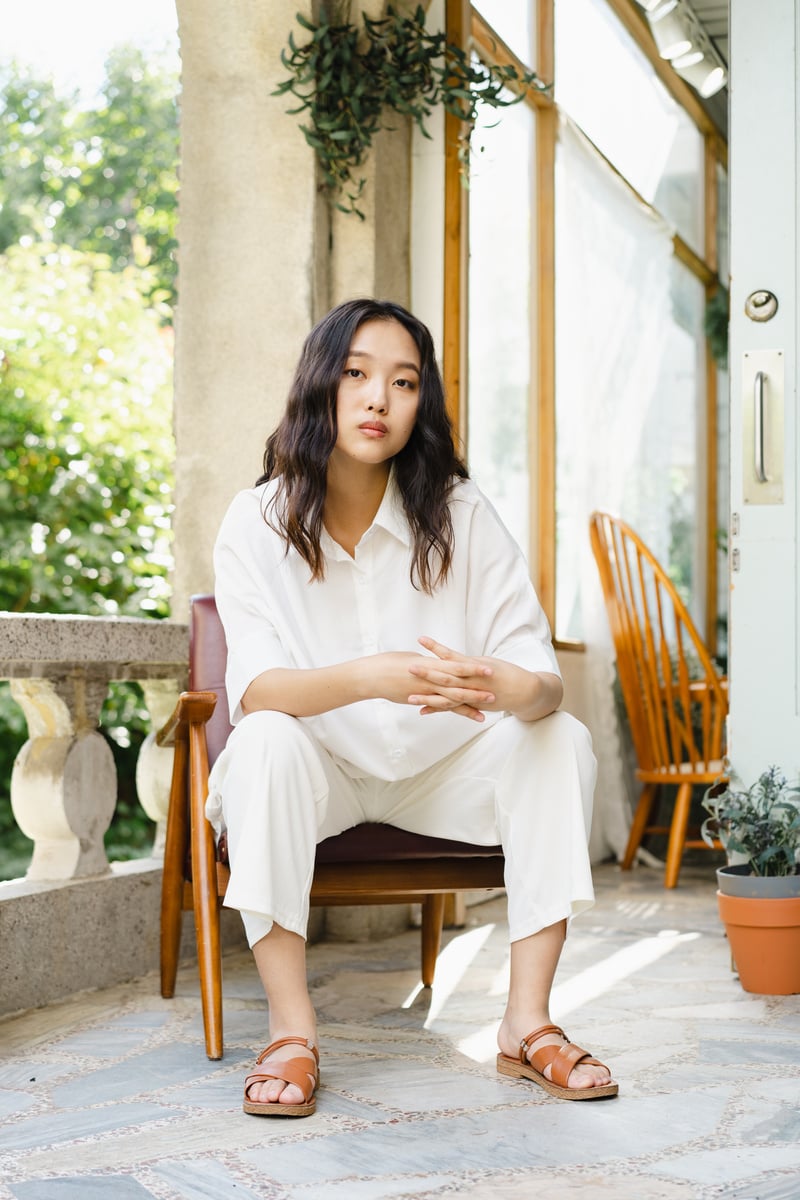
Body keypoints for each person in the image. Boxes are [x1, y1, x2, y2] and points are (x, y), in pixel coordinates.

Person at [206, 298, 618, 1117]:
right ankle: (293, 1033)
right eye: (356, 374)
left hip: (442, 771)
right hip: (321, 768)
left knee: (558, 738)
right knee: (262, 743)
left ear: (420, 404)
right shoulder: (256, 520)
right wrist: (375, 675)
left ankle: (526, 1022)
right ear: (321, 385)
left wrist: (507, 687)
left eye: (403, 382)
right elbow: (258, 691)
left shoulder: (460, 513)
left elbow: (542, 677)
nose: (377, 399)